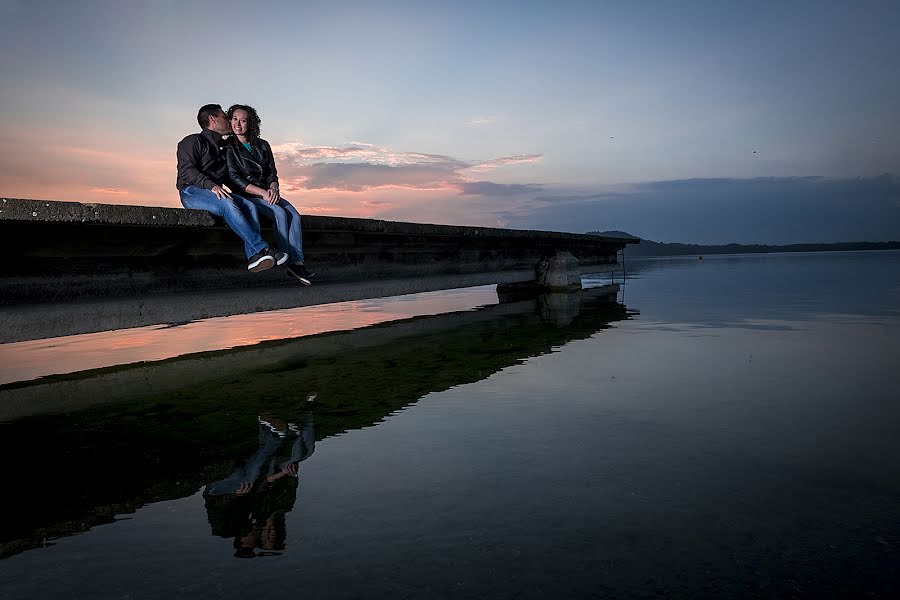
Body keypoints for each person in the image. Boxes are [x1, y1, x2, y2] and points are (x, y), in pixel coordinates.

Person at [176, 103, 276, 273]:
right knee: (227, 204)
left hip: (216, 192)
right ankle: (263, 249)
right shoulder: (192, 141)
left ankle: (253, 257)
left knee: (249, 206)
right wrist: (211, 186)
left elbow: (231, 179)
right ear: (213, 120)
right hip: (191, 192)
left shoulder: (223, 149)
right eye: (225, 117)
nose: (230, 121)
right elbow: (187, 171)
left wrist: (259, 192)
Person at [225, 104, 314, 285]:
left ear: (251, 123)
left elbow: (271, 173)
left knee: (294, 215)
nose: (238, 124)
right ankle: (289, 262)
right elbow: (234, 179)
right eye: (235, 119)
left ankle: (298, 262)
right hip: (248, 194)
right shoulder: (228, 147)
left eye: (243, 120)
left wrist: (273, 189)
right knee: (280, 213)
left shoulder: (263, 145)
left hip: (268, 191)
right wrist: (263, 193)